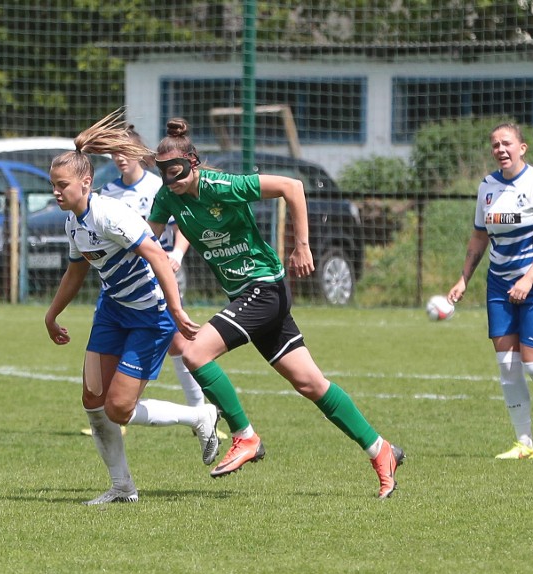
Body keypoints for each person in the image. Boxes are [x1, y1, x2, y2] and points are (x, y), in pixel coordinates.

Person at [147, 118, 405, 499]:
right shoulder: (169, 197)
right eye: (165, 175)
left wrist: (302, 245)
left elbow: (292, 186)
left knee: (194, 351)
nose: (172, 181)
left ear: (194, 163)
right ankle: (380, 449)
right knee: (311, 383)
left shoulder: (223, 185)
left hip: (264, 289)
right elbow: (146, 240)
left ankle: (245, 437)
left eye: (178, 172)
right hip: (248, 296)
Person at [44, 110, 220, 505]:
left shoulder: (110, 214)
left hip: (148, 316)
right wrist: (51, 314)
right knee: (93, 401)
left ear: (85, 182)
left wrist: (174, 310)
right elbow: (75, 272)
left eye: (62, 185)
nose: (56, 192)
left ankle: (200, 416)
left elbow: (158, 257)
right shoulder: (74, 222)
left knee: (119, 409)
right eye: (53, 185)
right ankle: (122, 487)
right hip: (112, 310)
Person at [447, 122, 533, 460]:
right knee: (507, 364)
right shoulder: (487, 188)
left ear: (522, 148)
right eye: (495, 144)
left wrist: (527, 280)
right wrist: (464, 278)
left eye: (506, 143)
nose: (500, 149)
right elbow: (480, 236)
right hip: (499, 283)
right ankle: (525, 443)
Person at [78, 125, 221, 437]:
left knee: (180, 344)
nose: (119, 158)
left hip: (159, 276)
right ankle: (125, 406)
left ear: (139, 154)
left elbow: (181, 222)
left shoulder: (159, 185)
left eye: (125, 151)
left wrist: (178, 255)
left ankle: (200, 411)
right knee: (169, 343)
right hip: (124, 285)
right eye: (114, 153)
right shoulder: (107, 194)